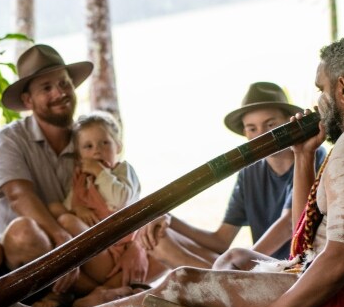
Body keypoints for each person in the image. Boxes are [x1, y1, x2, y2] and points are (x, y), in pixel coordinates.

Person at [0, 34, 344, 307]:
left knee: (181, 284)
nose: (319, 101)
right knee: (235, 260)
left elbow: (341, 259)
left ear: (343, 90)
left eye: (322, 90)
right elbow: (306, 237)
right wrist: (304, 156)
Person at [137, 82, 325, 270]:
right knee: (158, 238)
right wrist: (168, 218)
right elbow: (221, 240)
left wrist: (242, 262)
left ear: (288, 122)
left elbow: (290, 225)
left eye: (271, 124)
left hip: (294, 266)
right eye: (252, 129)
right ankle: (222, 281)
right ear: (245, 133)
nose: (263, 135)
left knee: (233, 259)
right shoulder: (250, 172)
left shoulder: (311, 153)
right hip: (254, 266)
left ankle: (224, 280)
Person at [0, 44, 90, 280]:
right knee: (25, 233)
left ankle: (94, 292)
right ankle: (93, 291)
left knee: (153, 228)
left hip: (78, 241)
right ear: (28, 100)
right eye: (46, 88)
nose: (60, 93)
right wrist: (61, 239)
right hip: (25, 258)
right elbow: (19, 196)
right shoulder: (7, 140)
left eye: (64, 83)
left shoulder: (87, 138)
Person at [46, 111, 166, 307]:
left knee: (162, 245)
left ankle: (97, 296)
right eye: (88, 146)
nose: (97, 151)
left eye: (105, 143)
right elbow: (64, 208)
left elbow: (121, 198)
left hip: (124, 250)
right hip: (98, 255)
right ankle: (100, 293)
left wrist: (100, 171)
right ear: (79, 155)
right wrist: (78, 208)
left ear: (118, 146)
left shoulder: (123, 171)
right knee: (67, 221)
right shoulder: (80, 180)